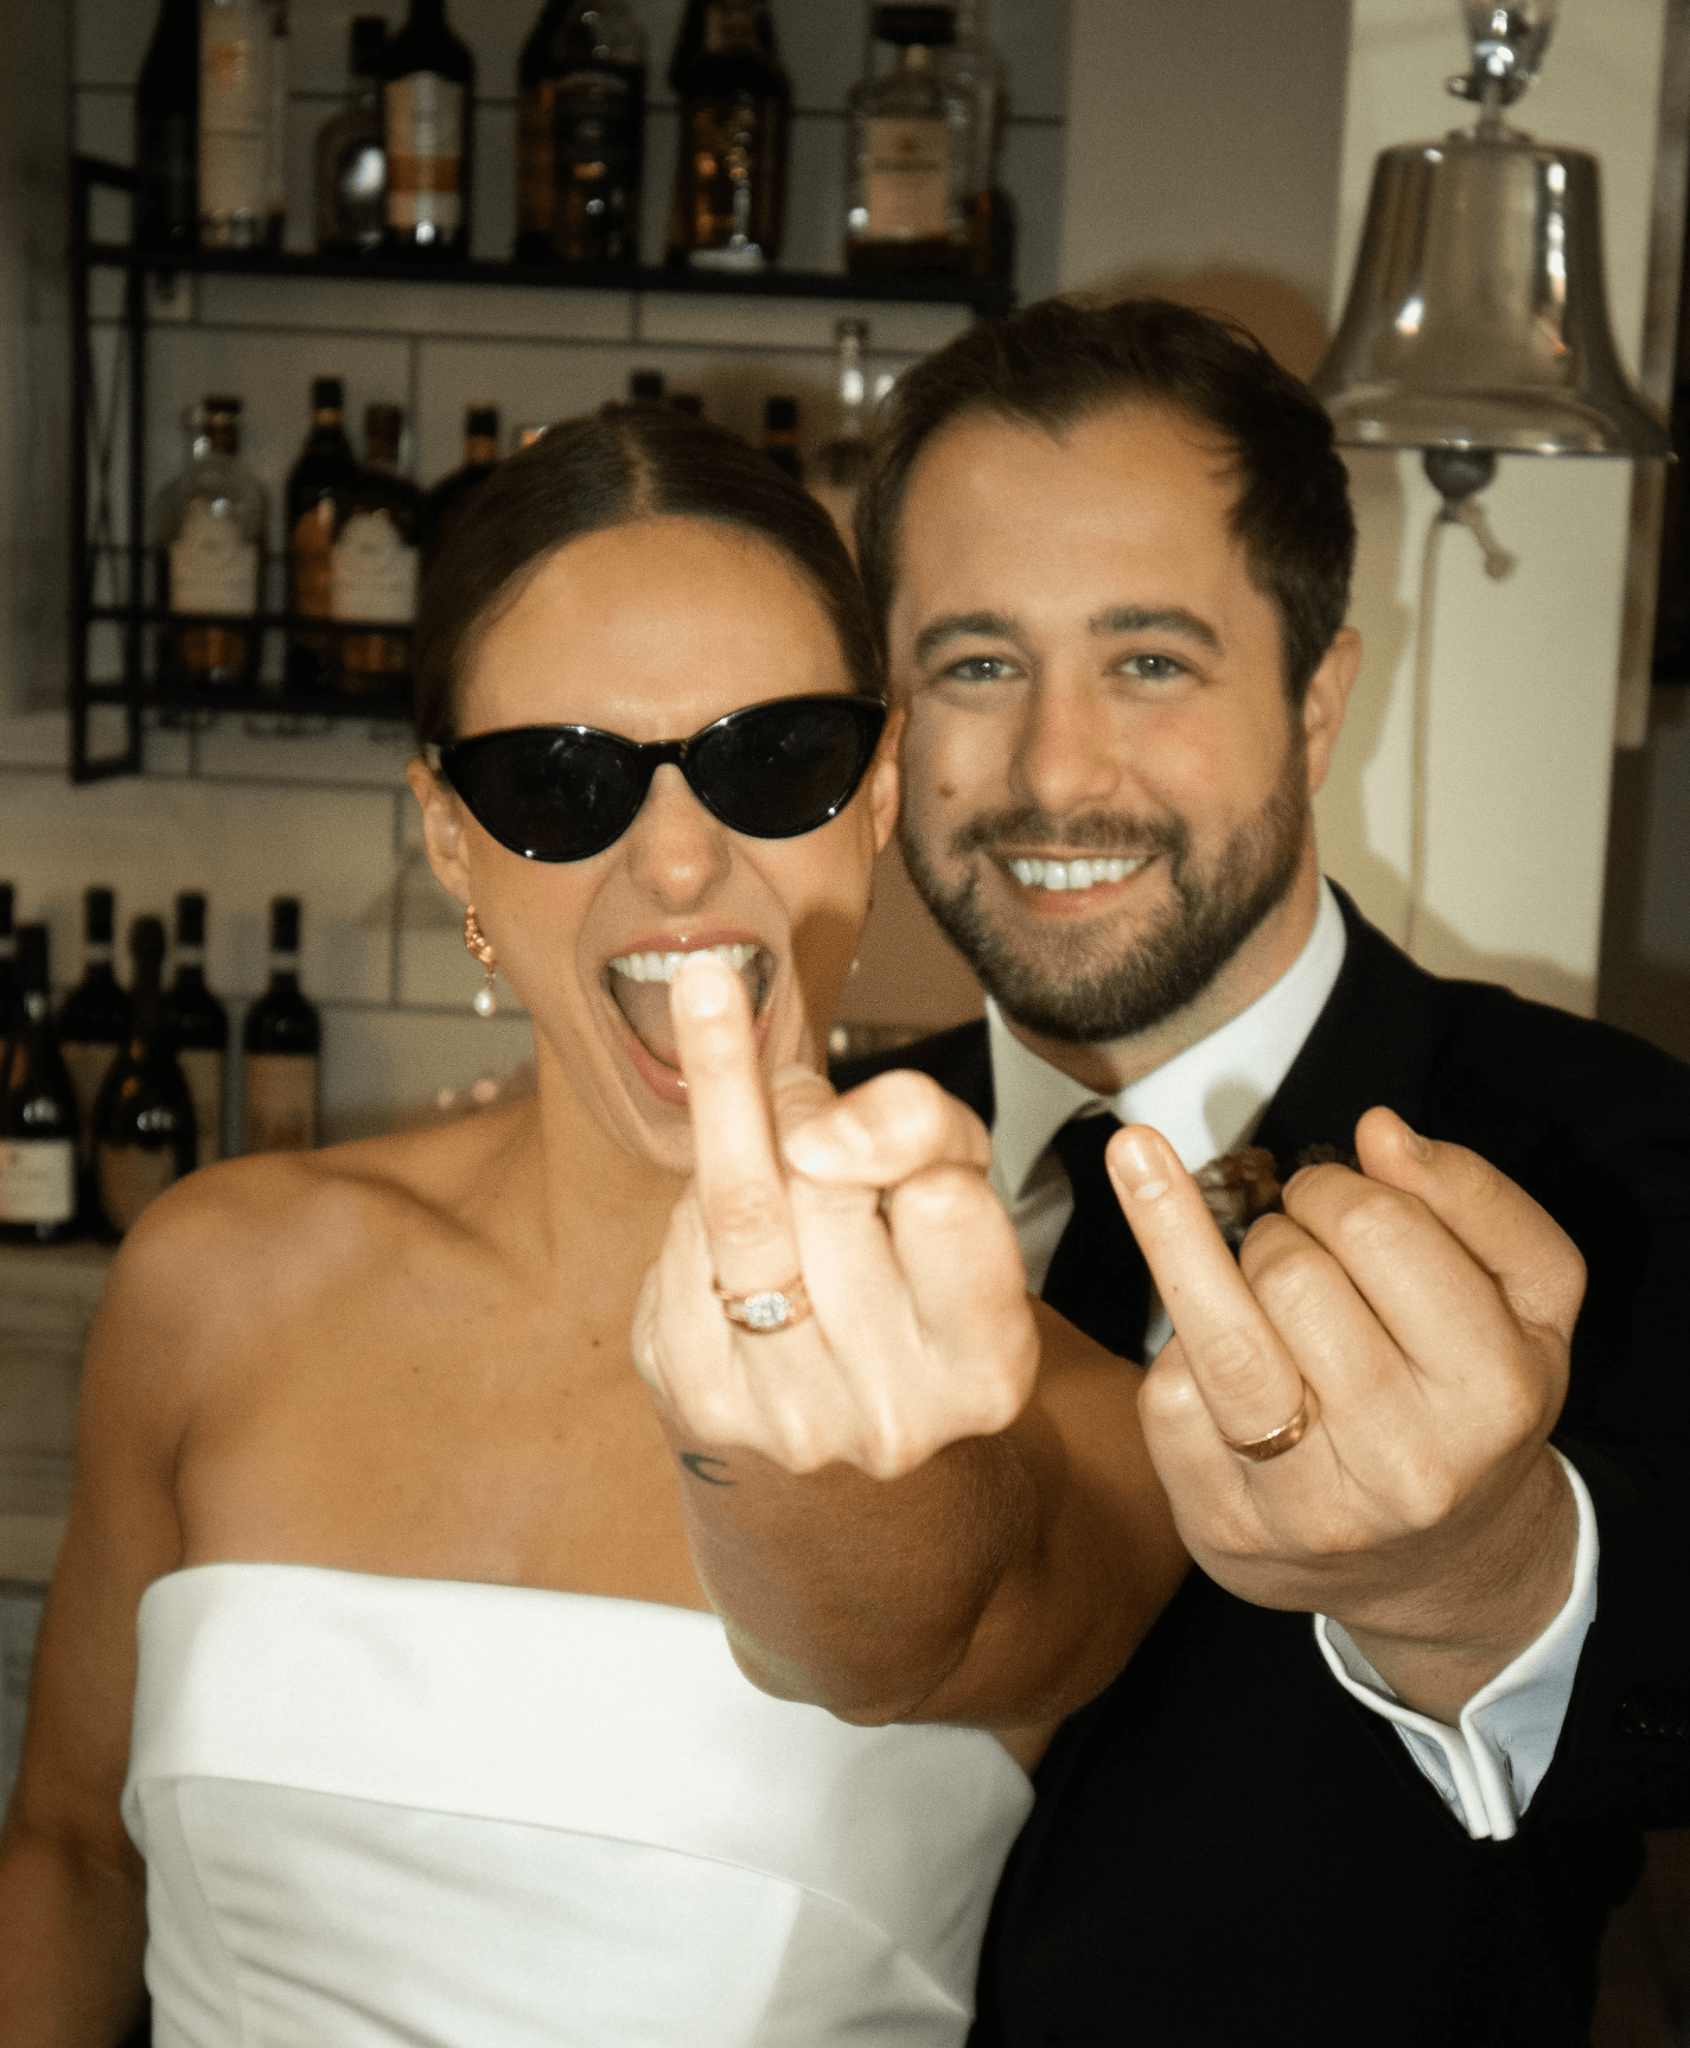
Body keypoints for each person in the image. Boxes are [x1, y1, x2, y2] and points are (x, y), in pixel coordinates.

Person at [0, 408, 1186, 2046]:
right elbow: (67, 1857)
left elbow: (897, 1632)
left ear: (874, 794)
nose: (681, 859)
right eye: (558, 784)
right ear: (448, 841)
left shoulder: (1071, 1421)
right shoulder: (214, 1276)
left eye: (771, 760)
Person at [833, 295, 1690, 2046]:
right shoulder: (818, 1175)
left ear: (1314, 703)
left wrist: (1481, 1582)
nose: (1053, 771)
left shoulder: (1617, 1152)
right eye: (976, 664)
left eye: (1149, 661)